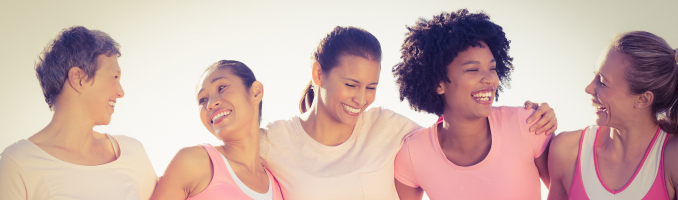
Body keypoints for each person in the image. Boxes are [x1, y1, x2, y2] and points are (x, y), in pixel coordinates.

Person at [260, 26, 557, 199]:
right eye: (351, 84)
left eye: (371, 87)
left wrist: (533, 116)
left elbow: (453, 133)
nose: (361, 99)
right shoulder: (272, 142)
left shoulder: (390, 128)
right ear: (317, 73)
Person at [391, 9, 553, 200]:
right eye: (473, 69)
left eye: (492, 68)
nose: (490, 79)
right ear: (437, 83)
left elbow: (568, 190)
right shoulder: (412, 154)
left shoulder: (529, 124)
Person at [0, 26, 157, 199]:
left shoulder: (132, 153)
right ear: (78, 78)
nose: (121, 92)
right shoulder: (18, 164)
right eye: (114, 77)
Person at [548, 31, 678, 199]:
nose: (588, 88)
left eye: (602, 82)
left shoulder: (672, 156)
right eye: (594, 75)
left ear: (643, 99)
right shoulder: (566, 150)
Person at [151, 60, 283, 200]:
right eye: (202, 100)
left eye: (221, 88)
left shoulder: (278, 185)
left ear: (256, 92)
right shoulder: (193, 162)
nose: (210, 104)